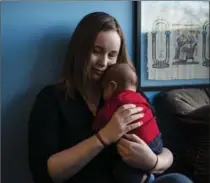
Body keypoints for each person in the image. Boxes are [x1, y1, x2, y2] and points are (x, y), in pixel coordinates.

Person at [28, 11, 193, 183]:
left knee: (179, 180)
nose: (103, 62)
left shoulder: (131, 95)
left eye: (112, 55)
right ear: (80, 50)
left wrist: (153, 161)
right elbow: (47, 172)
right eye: (96, 51)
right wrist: (104, 136)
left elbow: (166, 151)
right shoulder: (51, 100)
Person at [92, 63, 163, 183]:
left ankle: (146, 179)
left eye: (103, 89)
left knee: (122, 173)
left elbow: (103, 119)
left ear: (111, 87)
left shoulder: (118, 100)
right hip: (157, 141)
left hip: (141, 146)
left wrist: (95, 126)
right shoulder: (141, 98)